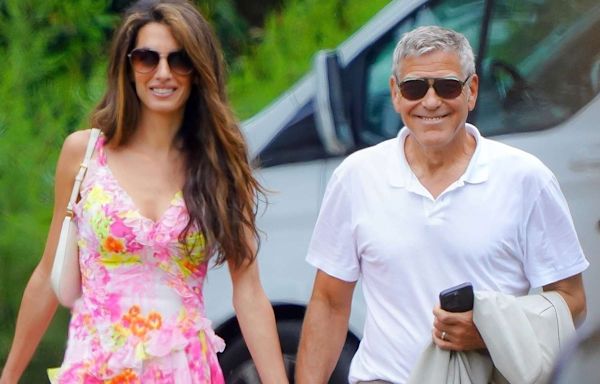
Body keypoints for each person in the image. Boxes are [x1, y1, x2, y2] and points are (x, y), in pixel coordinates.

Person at [0, 1, 288, 383]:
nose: (163, 73)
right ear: (128, 66)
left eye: (180, 60)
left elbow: (249, 292)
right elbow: (46, 276)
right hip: (97, 368)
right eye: (147, 58)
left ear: (199, 70)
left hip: (186, 371)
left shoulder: (220, 162)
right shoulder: (84, 154)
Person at [295, 25, 588, 384]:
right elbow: (328, 302)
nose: (430, 102)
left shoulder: (527, 179)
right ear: (395, 94)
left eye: (447, 86)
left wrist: (491, 332)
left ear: (472, 91)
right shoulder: (355, 177)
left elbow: (571, 301)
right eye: (414, 87)